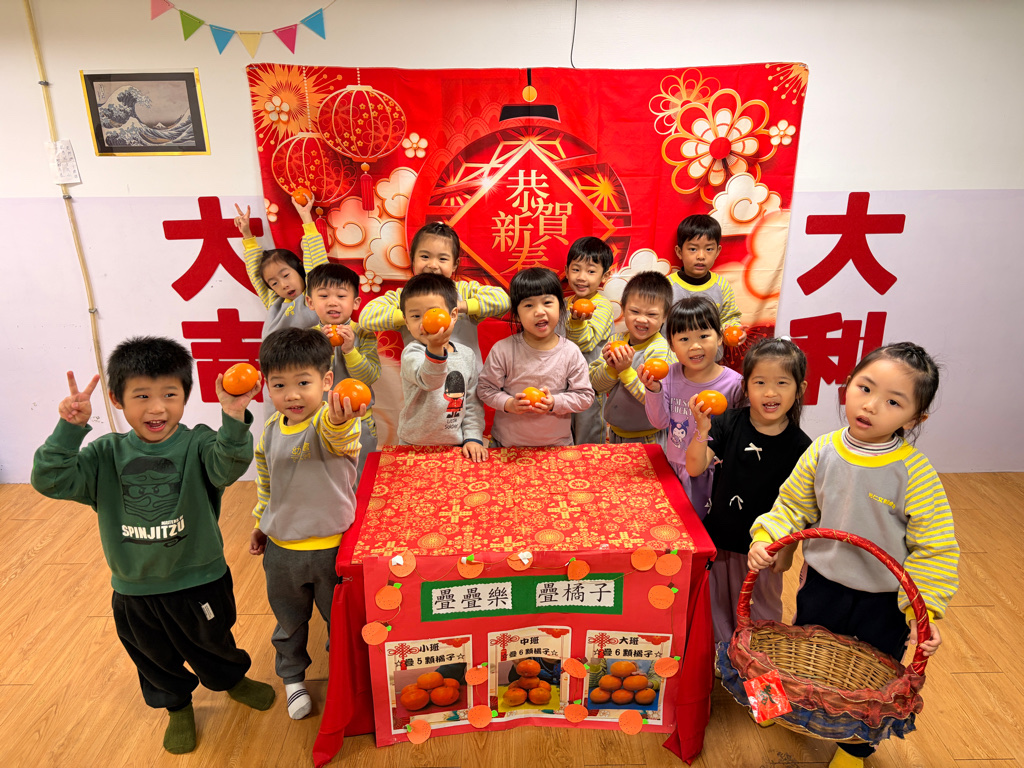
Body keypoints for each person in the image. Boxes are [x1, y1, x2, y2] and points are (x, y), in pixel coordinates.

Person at [30, 338, 273, 755]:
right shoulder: (105, 454)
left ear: (186, 396)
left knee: (214, 642)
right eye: (141, 396)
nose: (157, 408)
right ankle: (177, 706)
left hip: (201, 579)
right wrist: (69, 429)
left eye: (169, 395)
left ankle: (231, 680)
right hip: (135, 590)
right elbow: (50, 480)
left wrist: (234, 415)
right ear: (116, 399)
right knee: (153, 657)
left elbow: (228, 466)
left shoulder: (198, 443)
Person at [748, 342, 959, 768]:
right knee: (801, 652)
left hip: (884, 600)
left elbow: (934, 549)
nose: (871, 406)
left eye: (894, 402)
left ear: (915, 419)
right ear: (847, 384)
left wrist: (923, 612)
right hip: (822, 581)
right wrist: (766, 537)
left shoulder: (915, 473)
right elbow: (792, 504)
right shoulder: (822, 449)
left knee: (874, 680)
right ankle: (778, 707)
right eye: (865, 388)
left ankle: (853, 749)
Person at [250, 327, 366, 721]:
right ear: (267, 385)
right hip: (282, 550)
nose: (292, 395)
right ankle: (293, 678)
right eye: (279, 385)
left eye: (303, 383)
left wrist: (340, 417)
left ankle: (343, 675)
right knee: (289, 621)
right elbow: (267, 484)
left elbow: (340, 434)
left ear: (326, 380)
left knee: (340, 621)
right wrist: (261, 522)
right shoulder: (269, 430)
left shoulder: (331, 422)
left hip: (333, 549)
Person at [684, 337, 812, 645]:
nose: (770, 393)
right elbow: (694, 468)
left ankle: (757, 660)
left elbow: (802, 507)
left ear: (800, 389)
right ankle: (723, 659)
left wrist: (788, 550)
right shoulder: (729, 422)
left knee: (762, 610)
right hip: (721, 537)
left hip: (764, 550)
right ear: (745, 387)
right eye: (760, 382)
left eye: (782, 383)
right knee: (717, 606)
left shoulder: (802, 446)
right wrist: (702, 430)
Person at [641, 295, 743, 516]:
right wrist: (653, 389)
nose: (695, 346)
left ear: (719, 338)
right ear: (671, 345)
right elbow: (659, 422)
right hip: (674, 468)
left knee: (708, 528)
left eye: (704, 336)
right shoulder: (669, 375)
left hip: (715, 471)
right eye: (684, 339)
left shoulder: (735, 384)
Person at [358, 222, 510, 364]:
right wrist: (411, 315)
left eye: (442, 259)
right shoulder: (403, 296)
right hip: (421, 380)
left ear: (455, 264)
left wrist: (460, 306)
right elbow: (366, 318)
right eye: (425, 257)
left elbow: (503, 301)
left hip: (467, 379)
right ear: (413, 259)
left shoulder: (464, 291)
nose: (432, 265)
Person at [478, 267, 594, 447]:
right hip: (506, 445)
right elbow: (485, 389)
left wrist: (555, 402)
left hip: (557, 446)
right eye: (529, 305)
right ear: (517, 314)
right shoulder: (503, 350)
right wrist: (509, 404)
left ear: (561, 307)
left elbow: (585, 396)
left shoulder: (571, 352)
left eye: (547, 302)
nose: (539, 311)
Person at [397, 273, 487, 461]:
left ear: (453, 316)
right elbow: (430, 381)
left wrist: (473, 437)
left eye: (433, 313)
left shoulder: (466, 355)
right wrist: (435, 348)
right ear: (406, 322)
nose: (425, 322)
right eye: (416, 316)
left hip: (457, 446)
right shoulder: (412, 353)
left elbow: (472, 402)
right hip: (413, 444)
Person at [304, 263, 380, 481]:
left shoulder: (363, 334)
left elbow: (370, 376)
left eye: (341, 295)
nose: (332, 302)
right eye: (323, 295)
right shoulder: (308, 337)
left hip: (359, 419)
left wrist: (350, 350)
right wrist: (323, 349)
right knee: (324, 477)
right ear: (310, 302)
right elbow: (306, 380)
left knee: (361, 476)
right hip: (318, 420)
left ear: (355, 302)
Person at [590, 271, 675, 444]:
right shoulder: (616, 340)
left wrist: (625, 370)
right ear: (623, 309)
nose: (642, 320)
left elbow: (655, 402)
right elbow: (595, 385)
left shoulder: (659, 349)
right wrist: (611, 368)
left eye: (651, 314)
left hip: (649, 437)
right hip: (616, 434)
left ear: (665, 316)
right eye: (635, 311)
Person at [235, 199, 325, 338]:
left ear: (299, 268)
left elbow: (316, 260)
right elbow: (256, 275)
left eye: (286, 275)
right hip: (277, 352)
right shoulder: (275, 303)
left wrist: (306, 217)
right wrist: (247, 234)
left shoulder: (315, 294)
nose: (283, 285)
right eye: (274, 283)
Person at [563, 236, 615, 444]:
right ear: (566, 271)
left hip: (589, 383)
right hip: (562, 383)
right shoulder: (563, 303)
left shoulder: (602, 306)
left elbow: (585, 343)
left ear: (605, 275)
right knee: (563, 434)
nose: (581, 277)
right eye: (576, 269)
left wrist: (577, 321)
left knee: (589, 436)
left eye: (591, 271)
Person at [669, 214, 745, 344]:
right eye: (693, 249)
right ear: (679, 252)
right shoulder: (667, 286)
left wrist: (734, 331)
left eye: (709, 249)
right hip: (674, 355)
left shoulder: (721, 285)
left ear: (717, 251)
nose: (701, 256)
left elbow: (729, 318)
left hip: (710, 355)